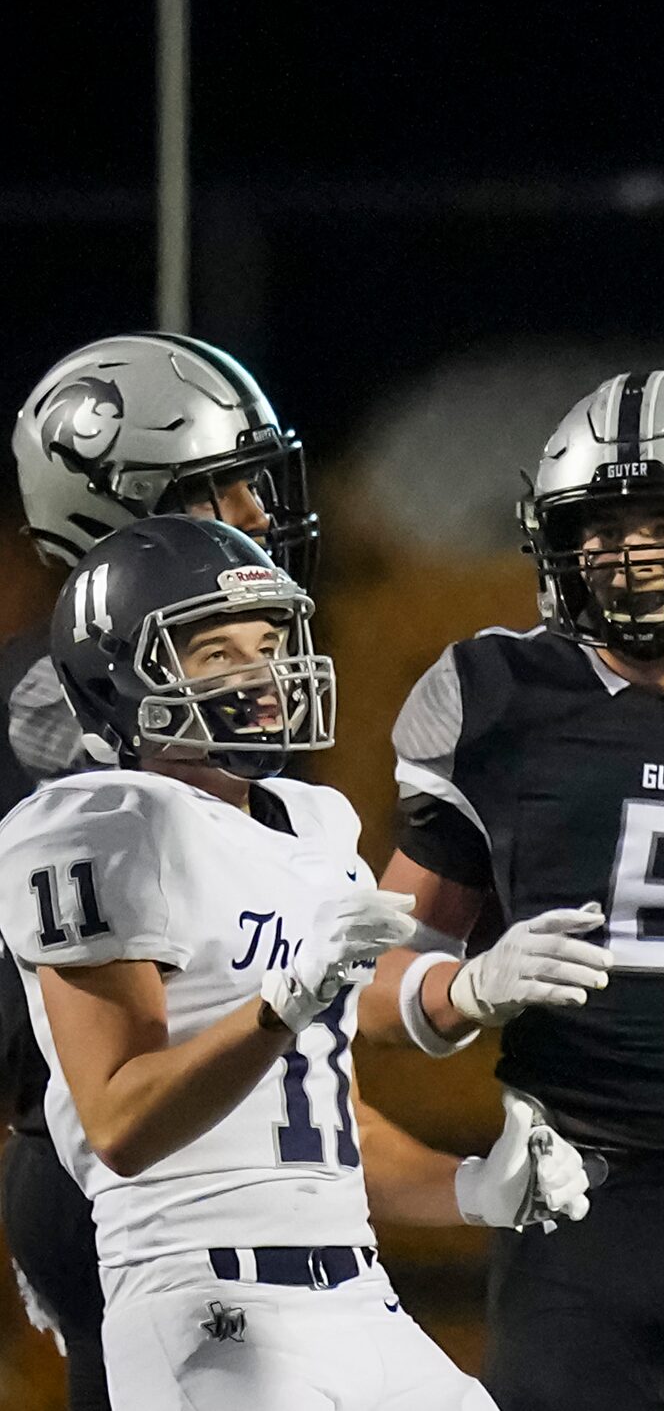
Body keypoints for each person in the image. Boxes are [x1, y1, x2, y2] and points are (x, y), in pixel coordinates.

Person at [0, 515, 596, 1411]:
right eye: (215, 652)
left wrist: (471, 1187)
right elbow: (120, 1122)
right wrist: (276, 1008)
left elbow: (322, 1124)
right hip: (202, 1303)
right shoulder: (94, 827)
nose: (262, 672)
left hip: (358, 1297)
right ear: (120, 676)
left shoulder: (315, 828)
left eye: (270, 642)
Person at [358, 369, 664, 1411]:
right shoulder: (496, 697)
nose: (633, 556)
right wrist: (466, 989)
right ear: (558, 542)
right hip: (580, 1201)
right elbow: (366, 980)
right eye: (604, 528)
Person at [1, 330, 322, 1411]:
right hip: (121, 1148)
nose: (259, 514)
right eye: (221, 487)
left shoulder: (214, 682)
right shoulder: (59, 712)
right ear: (125, 507)